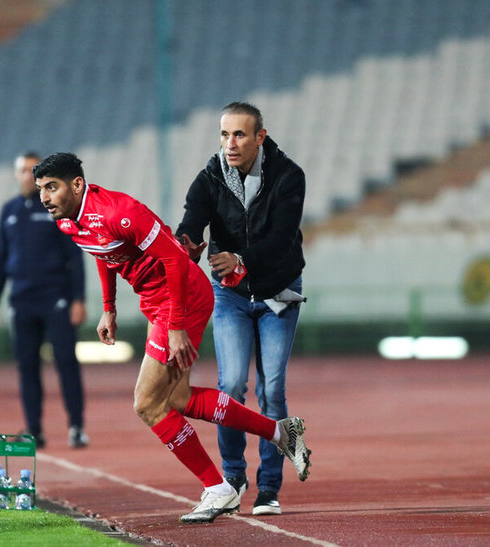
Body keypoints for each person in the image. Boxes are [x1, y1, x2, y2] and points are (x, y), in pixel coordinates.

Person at [33, 152, 310, 523]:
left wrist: (177, 325)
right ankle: (280, 432)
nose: (45, 197)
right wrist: (109, 307)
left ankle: (219, 489)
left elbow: (177, 262)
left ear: (77, 184)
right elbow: (100, 249)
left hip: (182, 297)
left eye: (52, 187)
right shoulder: (69, 221)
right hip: (158, 303)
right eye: (40, 190)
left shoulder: (120, 211)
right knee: (177, 398)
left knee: (147, 403)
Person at [176, 102, 308, 516]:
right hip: (229, 296)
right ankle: (233, 476)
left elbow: (283, 237)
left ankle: (269, 486)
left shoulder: (289, 176)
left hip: (278, 293)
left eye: (238, 135)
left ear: (259, 138)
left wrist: (240, 258)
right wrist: (187, 244)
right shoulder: (210, 177)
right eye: (223, 134)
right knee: (231, 384)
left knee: (272, 390)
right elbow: (191, 220)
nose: (229, 144)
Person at [0, 151, 88, 449]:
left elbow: (74, 255)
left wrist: (78, 299)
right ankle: (34, 429)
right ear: (16, 174)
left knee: (66, 362)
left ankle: (77, 427)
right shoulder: (9, 211)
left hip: (55, 298)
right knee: (27, 366)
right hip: (21, 299)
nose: (27, 176)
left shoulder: (56, 208)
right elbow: (0, 258)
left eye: (33, 171)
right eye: (22, 170)